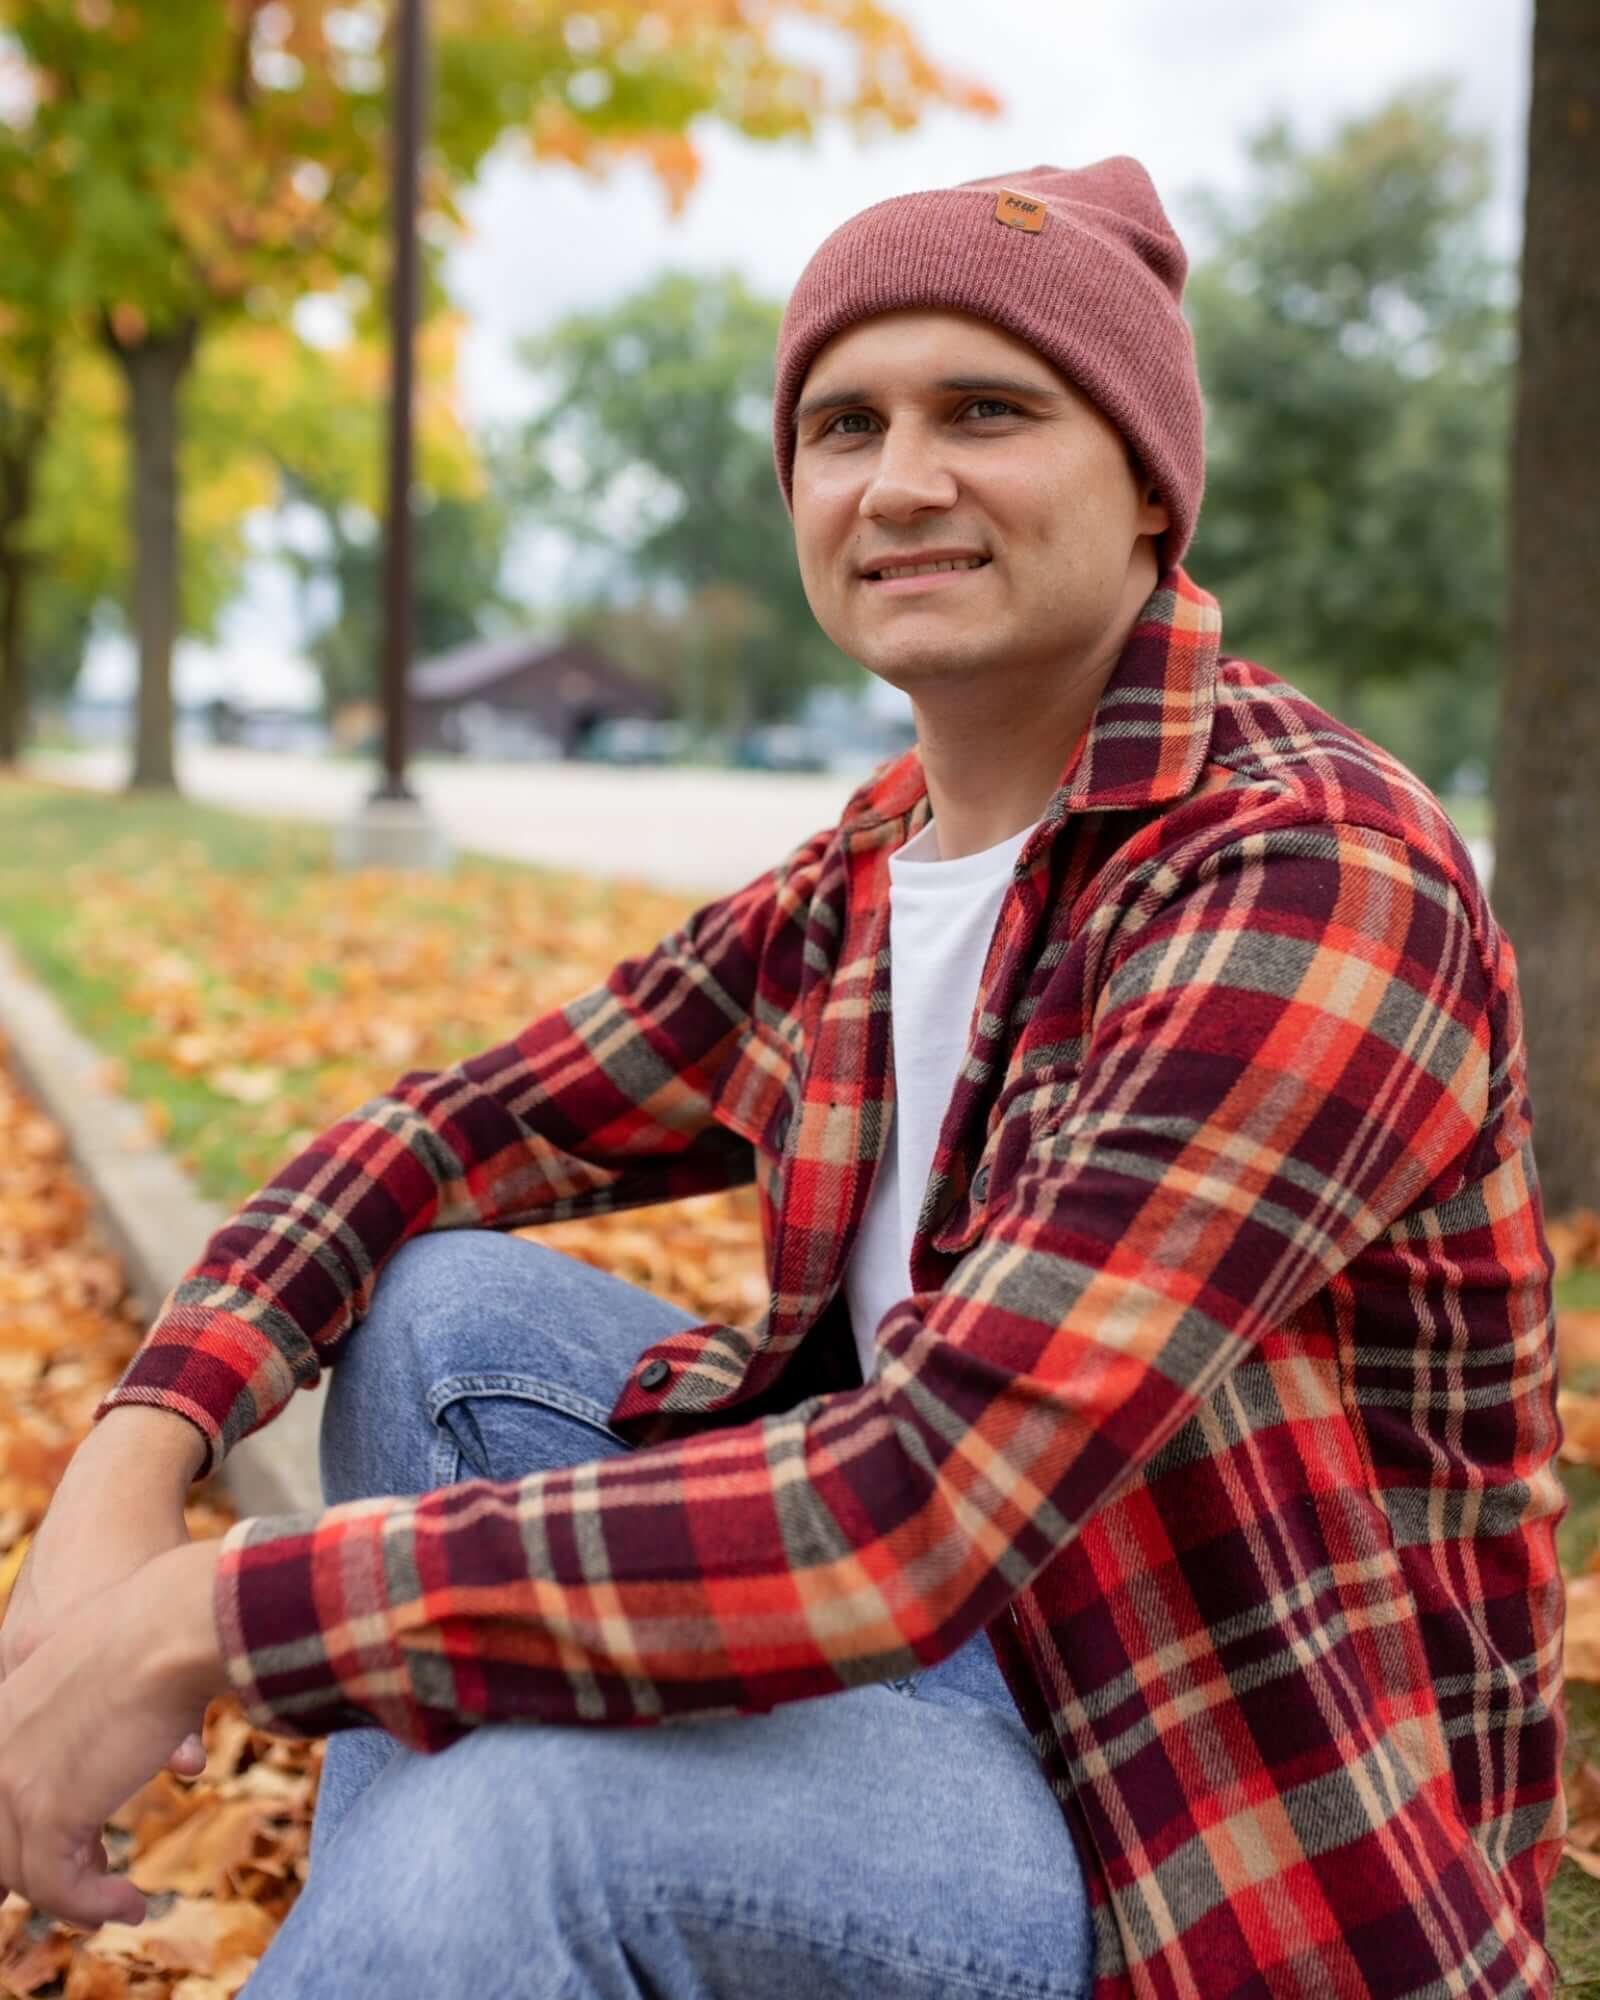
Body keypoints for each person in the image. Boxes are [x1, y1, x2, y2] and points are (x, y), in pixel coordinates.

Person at [0, 159, 1566, 1999]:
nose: (902, 481)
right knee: (444, 1307)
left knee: (538, 1817)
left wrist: (204, 1614)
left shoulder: (1309, 873)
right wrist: (138, 1453)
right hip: (951, 1674)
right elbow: (441, 1133)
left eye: (987, 410)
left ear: (1150, 481)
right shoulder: (876, 876)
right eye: (844, 425)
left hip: (1206, 1834)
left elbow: (916, 1512)